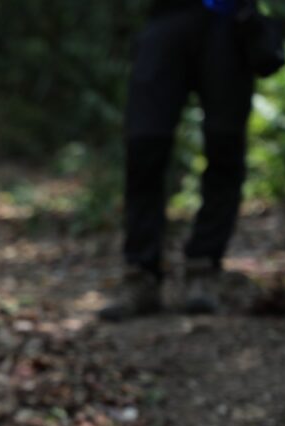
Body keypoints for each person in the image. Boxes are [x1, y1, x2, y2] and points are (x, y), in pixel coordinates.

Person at [100, 0, 255, 321]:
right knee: (144, 144)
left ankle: (204, 267)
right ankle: (141, 274)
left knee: (225, 144)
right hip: (164, 16)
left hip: (228, 17)